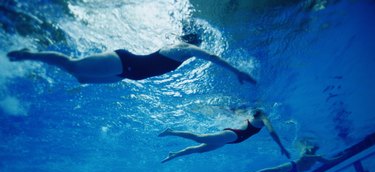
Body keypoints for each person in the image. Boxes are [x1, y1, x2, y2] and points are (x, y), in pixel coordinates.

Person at [6, 34, 256, 85]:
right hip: (123, 62)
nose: (197, 48)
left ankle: (35, 59)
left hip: (126, 75)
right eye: (196, 44)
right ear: (192, 41)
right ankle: (29, 53)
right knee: (72, 66)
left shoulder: (180, 50)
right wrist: (237, 71)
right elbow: (211, 56)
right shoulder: (185, 47)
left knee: (81, 78)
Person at [158, 109, 290, 163]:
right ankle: (171, 131)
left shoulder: (254, 116)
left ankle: (173, 154)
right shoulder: (263, 116)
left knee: (199, 149)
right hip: (232, 135)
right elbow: (272, 131)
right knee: (199, 138)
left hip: (230, 139)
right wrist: (282, 147)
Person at [244, 141, 342, 172]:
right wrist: (316, 156)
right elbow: (303, 156)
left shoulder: (318, 157)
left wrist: (341, 157)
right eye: (315, 145)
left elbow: (328, 162)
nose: (316, 146)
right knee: (274, 169)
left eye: (317, 146)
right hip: (293, 165)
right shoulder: (307, 149)